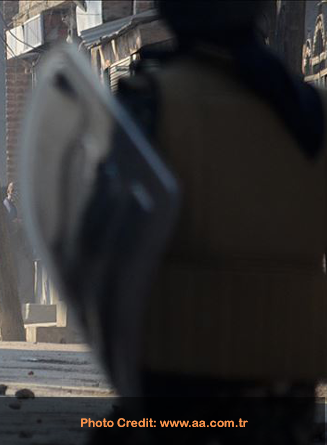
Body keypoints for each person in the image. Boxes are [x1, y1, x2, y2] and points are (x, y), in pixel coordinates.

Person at [76, 3, 325, 444]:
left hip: (181, 375)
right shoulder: (310, 110)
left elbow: (103, 232)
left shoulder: (150, 102)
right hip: (291, 382)